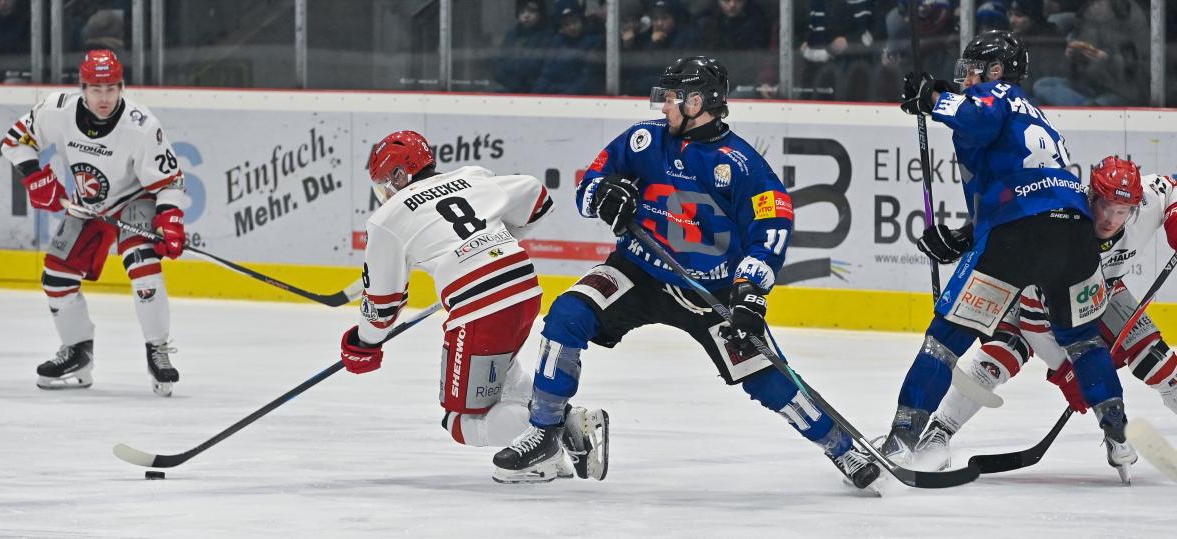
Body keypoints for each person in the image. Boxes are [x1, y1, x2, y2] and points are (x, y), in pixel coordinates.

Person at [492, 56, 882, 490]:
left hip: (709, 292)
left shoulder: (742, 165)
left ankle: (841, 448)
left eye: (672, 98)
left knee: (768, 380)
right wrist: (604, 193)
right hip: (638, 272)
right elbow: (587, 187)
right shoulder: (643, 140)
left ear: (698, 102)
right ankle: (545, 431)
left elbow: (773, 227)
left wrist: (751, 290)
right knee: (566, 316)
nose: (663, 107)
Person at [888, 30, 1131, 474]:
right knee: (1081, 340)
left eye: (973, 70)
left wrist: (935, 101)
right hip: (1075, 234)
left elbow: (978, 117)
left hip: (1018, 233)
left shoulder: (995, 93)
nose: (967, 79)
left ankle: (901, 438)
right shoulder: (1035, 115)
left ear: (996, 71)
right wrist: (967, 234)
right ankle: (1117, 434)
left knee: (945, 339)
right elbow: (1021, 182)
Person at [339, 130, 607, 482]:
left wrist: (364, 342)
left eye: (384, 184)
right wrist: (490, 242)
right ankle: (567, 421)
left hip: (480, 304)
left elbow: (382, 305)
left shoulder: (387, 218)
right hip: (523, 286)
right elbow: (536, 196)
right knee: (507, 379)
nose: (384, 194)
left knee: (460, 422)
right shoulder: (471, 177)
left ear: (400, 176)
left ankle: (549, 442)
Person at [915, 157, 1177, 481]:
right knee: (1000, 355)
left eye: (1121, 211)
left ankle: (1114, 428)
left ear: (1135, 208)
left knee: (1159, 362)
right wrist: (1069, 371)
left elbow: (1171, 187)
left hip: (1102, 290)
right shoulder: (1065, 226)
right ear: (1091, 196)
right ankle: (939, 431)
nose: (1110, 219)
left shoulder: (1146, 201)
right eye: (1105, 206)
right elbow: (1034, 322)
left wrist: (1175, 218)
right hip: (1032, 290)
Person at [0, 50, 186, 396]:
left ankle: (156, 350)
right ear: (82, 88)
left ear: (122, 87)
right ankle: (78, 353)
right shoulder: (56, 110)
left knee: (142, 263)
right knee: (56, 278)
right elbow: (14, 141)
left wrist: (170, 219)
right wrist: (34, 176)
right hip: (90, 205)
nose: (104, 98)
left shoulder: (141, 125)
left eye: (112, 89)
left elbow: (169, 180)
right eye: (97, 89)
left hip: (135, 199)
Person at [494, 0, 551, 93]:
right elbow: (498, 64)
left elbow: (537, 67)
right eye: (522, 12)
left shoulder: (547, 36)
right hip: (510, 89)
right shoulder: (511, 35)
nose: (526, 16)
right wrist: (512, 84)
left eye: (531, 11)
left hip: (536, 92)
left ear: (540, 14)